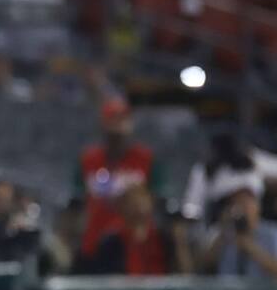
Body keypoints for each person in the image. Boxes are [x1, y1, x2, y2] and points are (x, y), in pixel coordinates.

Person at [74, 98, 163, 258]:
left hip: (135, 246)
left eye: (121, 122)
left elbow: (157, 199)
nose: (117, 131)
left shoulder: (146, 159)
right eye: (112, 122)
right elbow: (76, 202)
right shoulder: (87, 160)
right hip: (94, 244)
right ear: (103, 126)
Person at [82, 183, 192, 275]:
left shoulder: (164, 239)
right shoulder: (111, 242)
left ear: (150, 202)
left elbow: (185, 275)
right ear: (121, 207)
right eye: (132, 199)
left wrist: (180, 243)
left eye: (142, 197)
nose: (138, 204)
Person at [200, 184, 277, 282]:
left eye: (245, 203)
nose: (241, 208)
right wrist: (223, 229)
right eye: (236, 203)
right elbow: (205, 265)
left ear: (257, 206)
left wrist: (249, 247)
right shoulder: (225, 234)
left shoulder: (272, 232)